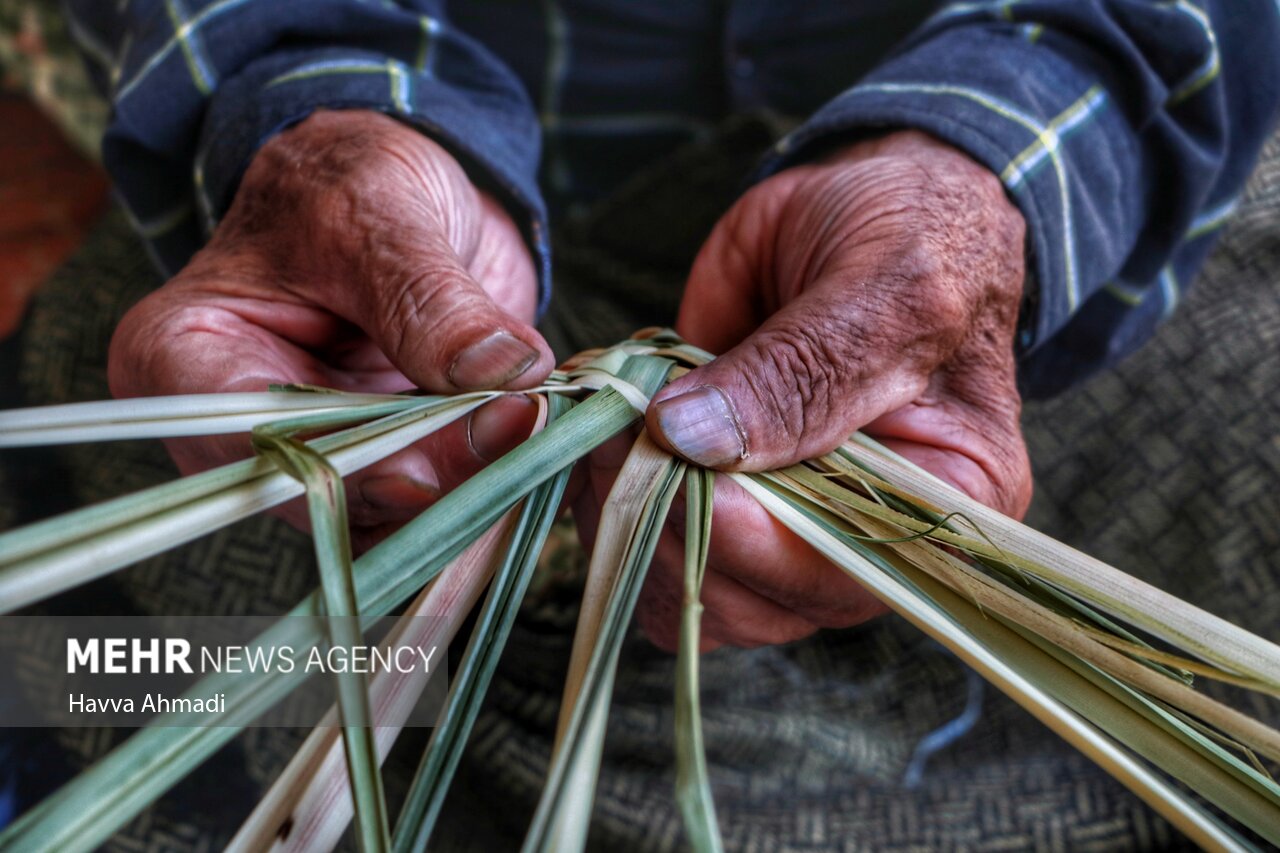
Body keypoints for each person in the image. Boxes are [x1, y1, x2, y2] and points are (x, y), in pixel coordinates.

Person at [65, 2, 1276, 693]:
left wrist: (994, 162)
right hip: (349, 258)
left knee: (1193, 666)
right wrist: (310, 94)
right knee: (104, 672)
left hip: (1016, 218)